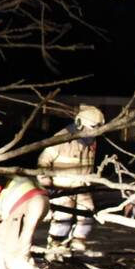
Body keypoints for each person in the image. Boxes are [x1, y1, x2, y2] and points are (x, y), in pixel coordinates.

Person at [38, 104, 104, 255]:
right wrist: (46, 184)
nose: (93, 133)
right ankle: (56, 244)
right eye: (91, 129)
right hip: (62, 187)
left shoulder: (91, 141)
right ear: (79, 124)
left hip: (82, 186)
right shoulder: (61, 139)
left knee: (87, 213)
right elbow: (43, 162)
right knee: (63, 216)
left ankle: (78, 241)